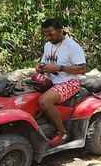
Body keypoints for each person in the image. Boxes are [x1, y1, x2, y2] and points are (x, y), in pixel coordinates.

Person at [37, 18, 87, 147]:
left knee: (44, 101)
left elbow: (82, 69)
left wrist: (60, 68)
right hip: (51, 79)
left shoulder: (72, 46)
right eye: (45, 34)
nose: (48, 37)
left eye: (51, 34)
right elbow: (45, 61)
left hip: (69, 82)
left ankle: (63, 132)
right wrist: (40, 67)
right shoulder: (48, 45)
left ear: (60, 30)